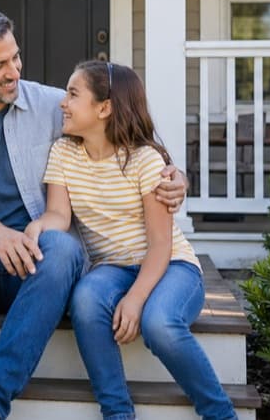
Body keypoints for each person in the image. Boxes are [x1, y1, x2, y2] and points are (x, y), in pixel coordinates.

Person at [0, 6, 187, 420]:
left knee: (63, 248)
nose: (14, 71)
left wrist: (176, 176)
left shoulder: (54, 106)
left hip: (37, 270)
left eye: (15, 57)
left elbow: (131, 138)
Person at [27, 61, 236, 420]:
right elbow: (59, 216)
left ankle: (219, 413)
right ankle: (118, 413)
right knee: (87, 300)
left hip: (172, 267)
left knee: (159, 324)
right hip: (111, 268)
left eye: (74, 94)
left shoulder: (145, 160)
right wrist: (37, 228)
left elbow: (160, 245)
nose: (64, 102)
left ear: (104, 108)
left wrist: (136, 299)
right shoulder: (63, 153)